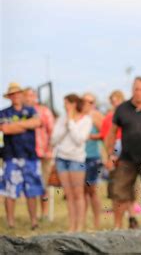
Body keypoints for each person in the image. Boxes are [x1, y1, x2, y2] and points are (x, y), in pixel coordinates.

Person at [105, 77, 141, 229]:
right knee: (119, 194)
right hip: (126, 159)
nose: (138, 93)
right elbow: (111, 133)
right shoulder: (122, 108)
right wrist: (109, 154)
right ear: (132, 89)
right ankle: (117, 228)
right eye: (136, 89)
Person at [0, 83, 42, 229]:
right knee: (10, 190)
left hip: (30, 156)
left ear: (21, 95)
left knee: (32, 190)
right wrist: (26, 125)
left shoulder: (31, 110)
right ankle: (11, 222)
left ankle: (34, 221)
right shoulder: (4, 113)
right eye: (13, 94)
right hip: (11, 156)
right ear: (10, 96)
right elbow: (5, 129)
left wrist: (15, 126)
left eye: (18, 93)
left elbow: (37, 122)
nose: (16, 96)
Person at [51, 93, 92, 232]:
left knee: (78, 194)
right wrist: (66, 122)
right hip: (61, 159)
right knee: (68, 195)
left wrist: (71, 123)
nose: (64, 106)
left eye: (66, 103)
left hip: (76, 159)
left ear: (74, 104)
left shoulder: (86, 119)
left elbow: (79, 139)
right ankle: (71, 226)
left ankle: (79, 226)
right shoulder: (62, 118)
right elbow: (54, 139)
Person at [23, 87, 55, 221]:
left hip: (43, 154)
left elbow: (52, 132)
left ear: (36, 97)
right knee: (30, 185)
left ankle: (45, 213)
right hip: (26, 154)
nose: (30, 98)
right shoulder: (21, 113)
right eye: (27, 95)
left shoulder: (44, 111)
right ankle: (33, 216)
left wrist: (49, 149)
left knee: (43, 185)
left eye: (32, 95)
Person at [82, 92, 104, 230]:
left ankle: (97, 222)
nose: (87, 104)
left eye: (90, 102)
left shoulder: (95, 115)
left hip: (92, 156)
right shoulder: (78, 115)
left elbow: (105, 134)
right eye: (84, 101)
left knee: (92, 191)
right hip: (78, 157)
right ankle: (82, 222)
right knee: (81, 192)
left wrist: (90, 136)